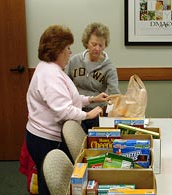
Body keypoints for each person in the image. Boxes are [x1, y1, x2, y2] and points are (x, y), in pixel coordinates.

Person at [25, 25, 109, 195]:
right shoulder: (50, 75)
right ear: (57, 51)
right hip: (45, 138)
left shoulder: (52, 69)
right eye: (68, 48)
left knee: (47, 183)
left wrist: (92, 99)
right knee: (49, 185)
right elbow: (64, 111)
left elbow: (70, 98)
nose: (70, 53)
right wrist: (87, 114)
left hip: (45, 135)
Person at [65, 22, 120, 133]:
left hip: (96, 113)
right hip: (75, 111)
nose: (97, 48)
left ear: (105, 45)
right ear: (86, 43)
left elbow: (114, 94)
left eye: (101, 45)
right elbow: (64, 85)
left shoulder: (109, 67)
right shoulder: (74, 61)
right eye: (94, 44)